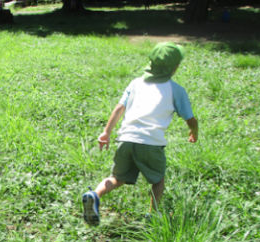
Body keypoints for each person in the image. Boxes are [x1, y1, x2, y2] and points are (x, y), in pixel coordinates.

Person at [82, 42, 199, 226]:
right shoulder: (176, 90)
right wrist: (194, 131)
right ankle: (154, 215)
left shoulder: (136, 83)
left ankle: (94, 195)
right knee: (158, 180)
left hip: (126, 139)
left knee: (117, 178)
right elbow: (190, 118)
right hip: (151, 143)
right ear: (174, 68)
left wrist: (106, 133)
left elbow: (119, 108)